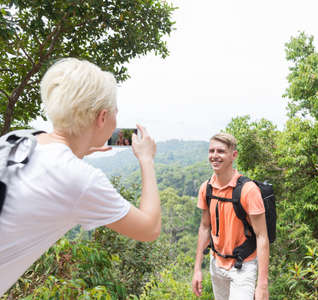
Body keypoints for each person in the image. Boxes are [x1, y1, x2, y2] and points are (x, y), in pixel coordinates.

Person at [0, 58, 161, 295]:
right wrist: (146, 160)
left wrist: (78, 151)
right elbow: (149, 228)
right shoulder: (80, 178)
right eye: (115, 113)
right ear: (102, 117)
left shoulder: (16, 140)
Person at [192, 133, 269, 300]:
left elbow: (262, 236)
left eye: (221, 151)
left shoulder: (248, 191)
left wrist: (262, 285)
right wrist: (197, 268)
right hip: (216, 264)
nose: (214, 156)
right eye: (211, 151)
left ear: (233, 155)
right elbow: (205, 227)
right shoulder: (207, 188)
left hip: (243, 267)